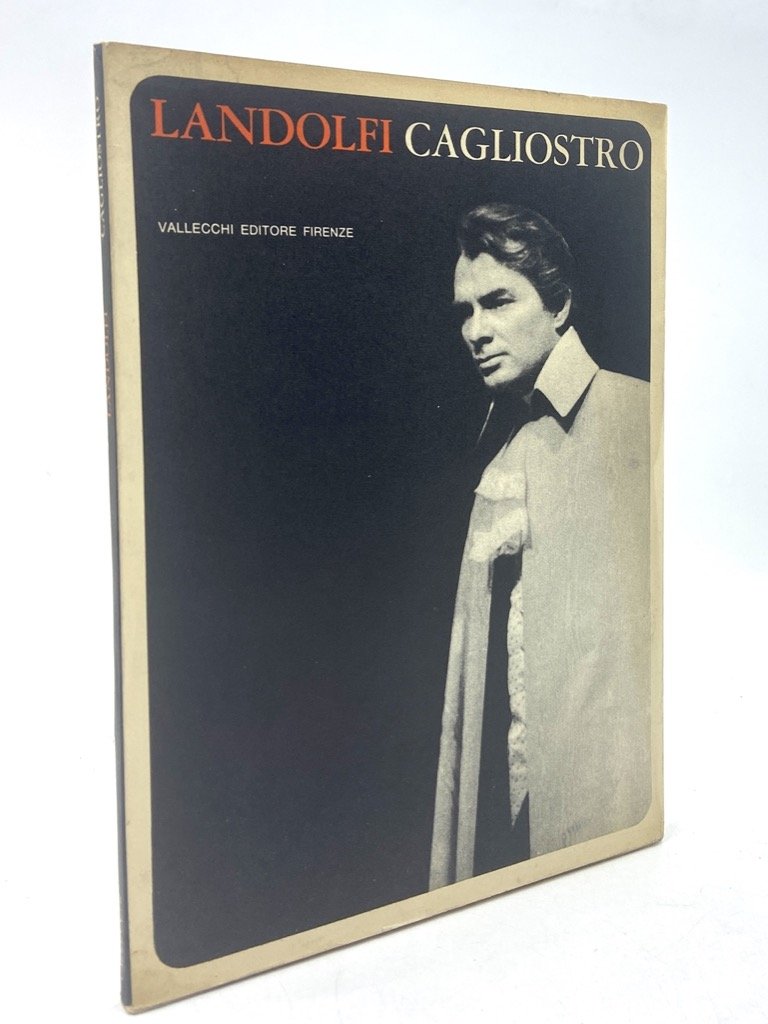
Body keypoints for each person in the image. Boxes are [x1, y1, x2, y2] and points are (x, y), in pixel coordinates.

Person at [429, 204, 651, 888]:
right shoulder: (496, 449)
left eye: (499, 302)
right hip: (511, 818)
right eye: (465, 312)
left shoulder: (639, 416)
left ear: (559, 306)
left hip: (614, 814)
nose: (476, 331)